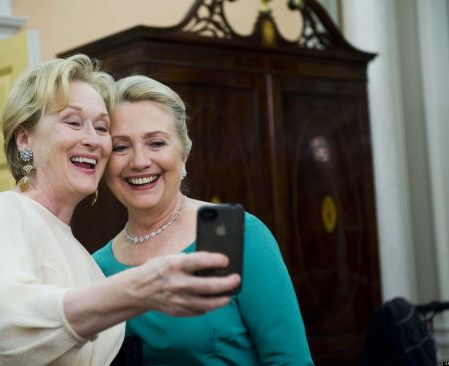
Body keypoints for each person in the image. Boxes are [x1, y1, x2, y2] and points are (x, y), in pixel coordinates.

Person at [0, 55, 241, 366]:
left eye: (101, 127)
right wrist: (141, 288)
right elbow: (9, 327)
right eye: (73, 122)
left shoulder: (87, 261)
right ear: (24, 139)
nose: (93, 140)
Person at [94, 75, 314, 365]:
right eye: (121, 147)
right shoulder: (97, 267)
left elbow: (289, 360)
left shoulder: (231, 232)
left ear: (183, 153)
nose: (139, 161)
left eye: (156, 143)